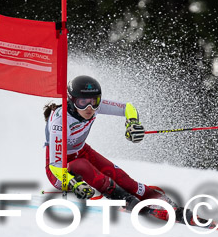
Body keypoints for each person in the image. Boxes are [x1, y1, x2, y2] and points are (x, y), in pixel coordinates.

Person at [43, 75, 172, 212]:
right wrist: (74, 183)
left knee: (120, 177)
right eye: (82, 102)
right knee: (83, 165)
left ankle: (157, 199)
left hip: (82, 151)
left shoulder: (94, 107)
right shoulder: (59, 122)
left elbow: (127, 107)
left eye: (94, 101)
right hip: (59, 171)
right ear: (71, 100)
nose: (89, 108)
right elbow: (55, 166)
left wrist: (133, 123)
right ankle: (125, 199)